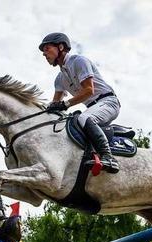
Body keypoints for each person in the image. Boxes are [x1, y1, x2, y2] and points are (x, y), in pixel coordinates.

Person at [39, 32, 120, 173]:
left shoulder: (78, 61)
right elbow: (54, 105)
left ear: (61, 47)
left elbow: (89, 90)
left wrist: (66, 104)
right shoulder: (59, 79)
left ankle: (109, 157)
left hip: (108, 102)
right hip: (93, 107)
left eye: (47, 49)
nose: (44, 54)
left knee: (84, 118)